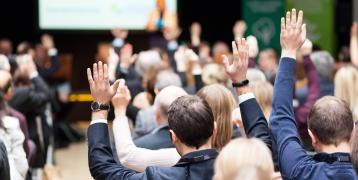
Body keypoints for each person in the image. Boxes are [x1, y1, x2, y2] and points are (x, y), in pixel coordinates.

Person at [87, 61, 217, 179]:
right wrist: (238, 87)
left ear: (173, 137)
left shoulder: (160, 176)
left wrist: (101, 106)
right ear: (215, 129)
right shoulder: (233, 165)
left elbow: (103, 169)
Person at [270, 9, 357, 179]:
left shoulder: (301, 171)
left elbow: (281, 117)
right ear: (353, 129)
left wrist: (289, 51)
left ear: (312, 137)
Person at [9, 54, 51, 168]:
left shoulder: (17, 89)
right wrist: (33, 73)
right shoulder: (21, 93)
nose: (30, 65)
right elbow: (47, 95)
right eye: (25, 63)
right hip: (26, 146)